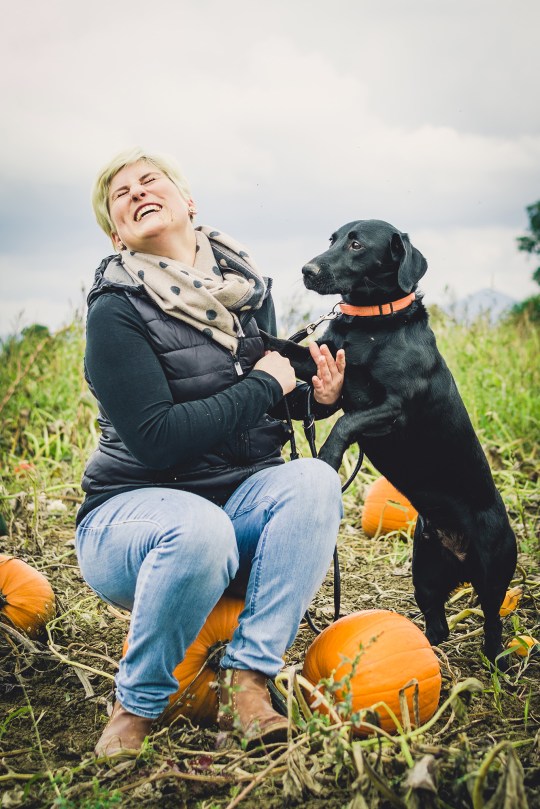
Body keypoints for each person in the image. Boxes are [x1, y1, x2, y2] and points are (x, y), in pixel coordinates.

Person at [76, 147, 345, 757]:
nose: (138, 192)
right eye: (121, 195)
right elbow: (157, 439)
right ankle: (136, 704)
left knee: (314, 480)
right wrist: (266, 385)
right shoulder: (115, 310)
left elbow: (262, 399)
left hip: (235, 512)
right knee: (200, 530)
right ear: (117, 234)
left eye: (150, 181)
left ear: (188, 202)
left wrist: (316, 398)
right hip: (134, 522)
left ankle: (246, 683)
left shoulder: (245, 288)